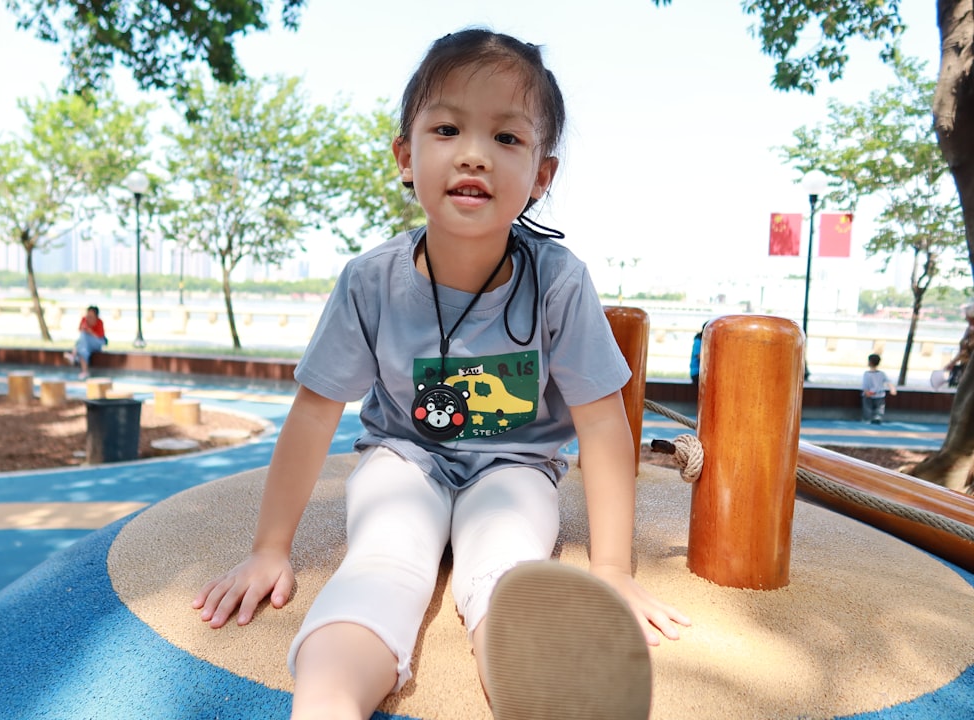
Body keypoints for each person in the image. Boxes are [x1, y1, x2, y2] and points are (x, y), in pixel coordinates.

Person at [192, 29, 688, 720]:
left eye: (507, 139)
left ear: (541, 177)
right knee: (386, 555)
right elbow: (313, 413)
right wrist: (269, 549)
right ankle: (327, 703)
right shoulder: (372, 282)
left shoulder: (558, 282)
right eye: (448, 128)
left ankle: (544, 690)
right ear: (406, 156)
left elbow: (602, 424)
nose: (475, 154)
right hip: (404, 459)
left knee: (508, 558)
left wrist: (612, 572)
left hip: (513, 468)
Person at [64, 305, 107, 379]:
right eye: (88, 315)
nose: (89, 318)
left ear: (96, 316)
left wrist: (90, 332)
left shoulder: (99, 322)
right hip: (85, 344)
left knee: (83, 340)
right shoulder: (84, 319)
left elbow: (100, 337)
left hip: (96, 343)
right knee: (83, 344)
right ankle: (84, 371)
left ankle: (74, 355)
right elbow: (80, 331)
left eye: (91, 316)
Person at [943, 304, 974, 388]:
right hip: (967, 366)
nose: (965, 318)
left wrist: (952, 362)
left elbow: (964, 351)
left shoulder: (970, 331)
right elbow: (963, 350)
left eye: (967, 316)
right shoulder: (969, 330)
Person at [862, 353, 896, 424]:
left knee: (867, 408)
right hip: (879, 395)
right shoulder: (882, 373)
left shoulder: (867, 374)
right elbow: (888, 382)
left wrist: (866, 392)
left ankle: (867, 419)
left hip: (869, 394)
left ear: (869, 362)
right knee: (879, 408)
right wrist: (892, 389)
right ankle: (877, 417)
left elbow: (865, 385)